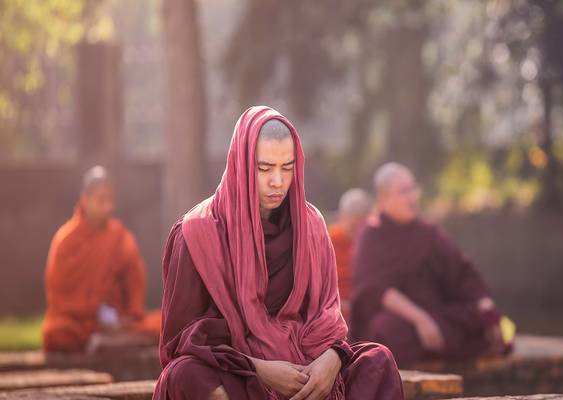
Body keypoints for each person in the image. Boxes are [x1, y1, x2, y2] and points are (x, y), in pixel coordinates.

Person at [155, 106, 403, 400]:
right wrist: (260, 368)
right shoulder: (196, 232)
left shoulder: (310, 226)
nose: (277, 182)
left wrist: (331, 360)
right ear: (240, 164)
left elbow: (327, 317)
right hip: (240, 374)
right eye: (264, 168)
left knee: (378, 360)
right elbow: (180, 340)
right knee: (186, 375)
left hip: (308, 367)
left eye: (287, 168)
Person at [350, 162, 513, 367]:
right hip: (401, 319)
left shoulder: (427, 233)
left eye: (413, 189)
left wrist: (486, 308)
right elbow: (373, 289)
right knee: (385, 329)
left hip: (435, 314)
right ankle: (443, 345)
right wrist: (421, 320)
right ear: (383, 199)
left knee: (481, 319)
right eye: (403, 191)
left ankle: (441, 344)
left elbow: (461, 271)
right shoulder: (371, 236)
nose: (413, 197)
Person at [42, 166, 160, 353]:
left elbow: (135, 283)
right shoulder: (66, 240)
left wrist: (126, 315)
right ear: (85, 200)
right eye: (101, 200)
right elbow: (59, 296)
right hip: (77, 322)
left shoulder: (120, 237)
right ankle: (111, 341)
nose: (107, 207)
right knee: (57, 332)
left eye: (110, 200)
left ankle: (109, 341)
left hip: (115, 322)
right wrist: (95, 312)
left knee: (161, 325)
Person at [328, 189, 372, 322]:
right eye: (353, 226)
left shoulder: (372, 243)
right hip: (334, 312)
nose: (358, 231)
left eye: (362, 226)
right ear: (340, 217)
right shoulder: (326, 241)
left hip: (365, 312)